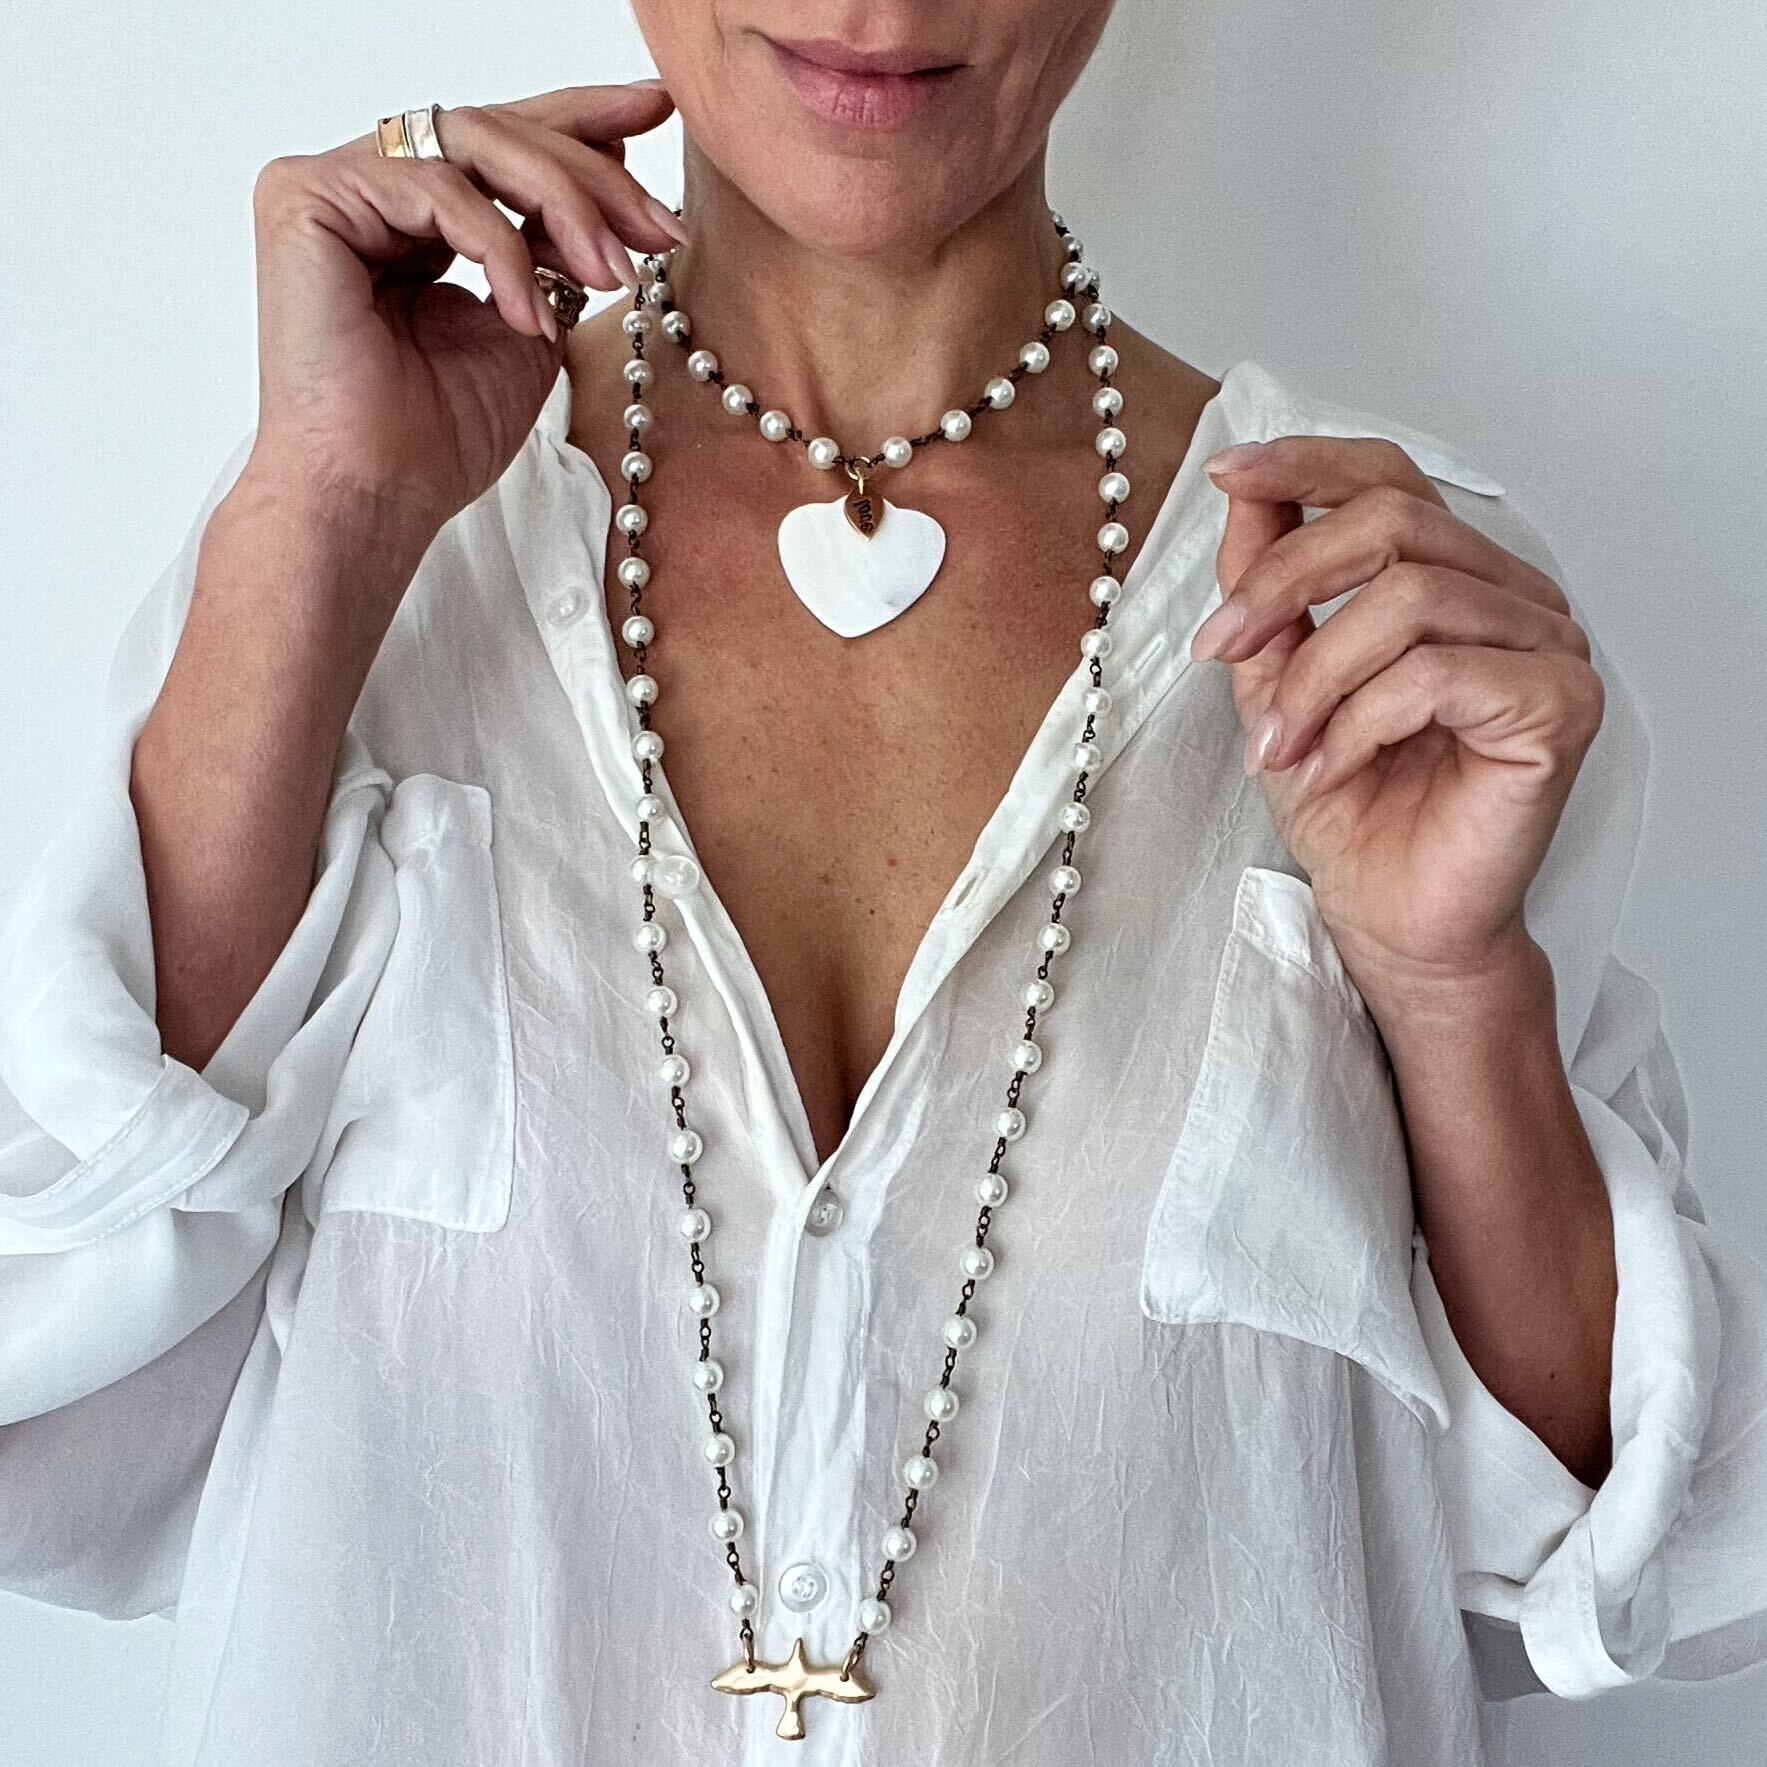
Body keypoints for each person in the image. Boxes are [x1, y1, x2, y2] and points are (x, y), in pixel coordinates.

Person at [2, 7, 1764, 1764]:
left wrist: (1454, 993)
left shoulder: (1391, 622)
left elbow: (1610, 1570)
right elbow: (55, 1385)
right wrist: (314, 515)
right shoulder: (364, 546)